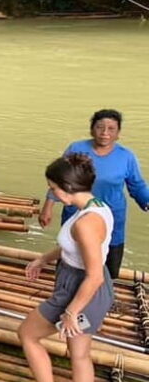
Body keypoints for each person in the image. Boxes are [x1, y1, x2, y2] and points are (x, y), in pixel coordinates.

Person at [16, 154, 114, 382]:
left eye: (53, 188)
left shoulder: (85, 223)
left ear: (67, 188)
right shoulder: (97, 207)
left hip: (80, 289)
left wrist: (71, 312)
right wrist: (44, 259)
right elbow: (80, 249)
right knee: (80, 353)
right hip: (93, 287)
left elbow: (92, 276)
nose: (52, 193)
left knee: (27, 334)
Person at [39, 109, 149, 279]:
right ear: (92, 129)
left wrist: (147, 202)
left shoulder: (126, 157)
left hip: (111, 215)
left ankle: (102, 293)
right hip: (76, 213)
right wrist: (47, 207)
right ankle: (67, 288)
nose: (105, 133)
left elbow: (137, 186)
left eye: (111, 129)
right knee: (70, 253)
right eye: (100, 127)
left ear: (118, 133)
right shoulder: (77, 149)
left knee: (109, 265)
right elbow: (59, 180)